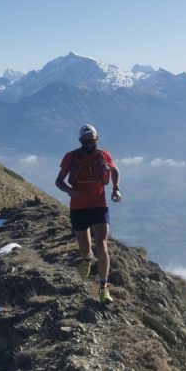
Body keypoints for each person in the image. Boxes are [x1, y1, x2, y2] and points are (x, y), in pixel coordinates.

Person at [55, 123, 121, 303]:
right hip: (78, 208)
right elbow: (59, 181)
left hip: (99, 205)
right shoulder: (71, 157)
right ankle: (86, 259)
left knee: (102, 244)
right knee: (85, 249)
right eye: (86, 142)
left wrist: (115, 188)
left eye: (92, 141)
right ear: (80, 141)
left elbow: (114, 170)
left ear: (97, 140)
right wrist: (69, 190)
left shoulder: (104, 155)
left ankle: (103, 288)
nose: (89, 145)